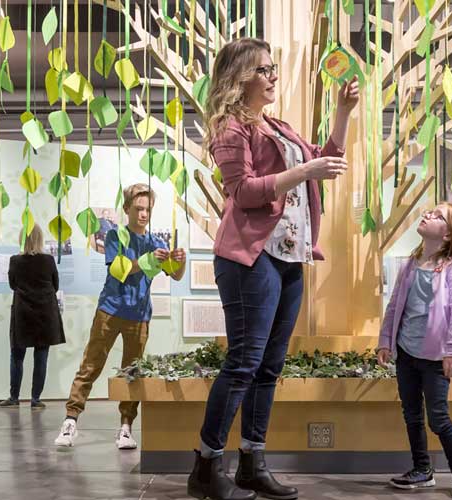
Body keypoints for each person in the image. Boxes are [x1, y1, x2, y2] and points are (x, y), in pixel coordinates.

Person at [188, 38, 359, 500]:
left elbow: (325, 159)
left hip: (288, 258)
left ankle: (251, 462)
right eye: (264, 69)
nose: (273, 75)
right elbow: (242, 192)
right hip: (250, 257)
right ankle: (205, 466)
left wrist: (342, 113)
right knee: (243, 363)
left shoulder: (277, 126)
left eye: (274, 68)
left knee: (268, 366)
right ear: (240, 76)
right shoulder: (230, 127)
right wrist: (305, 173)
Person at [54, 184, 187, 448]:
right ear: (127, 209)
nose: (143, 214)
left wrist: (180, 260)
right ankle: (70, 421)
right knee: (91, 365)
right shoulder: (115, 237)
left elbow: (176, 274)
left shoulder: (156, 242)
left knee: (132, 372)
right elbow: (119, 270)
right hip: (110, 310)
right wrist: (148, 261)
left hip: (139, 315)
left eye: (147, 209)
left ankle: (126, 427)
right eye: (138, 209)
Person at [376, 203, 452, 499]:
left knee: (437, 418)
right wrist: (385, 340)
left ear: (448, 235)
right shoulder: (410, 265)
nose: (428, 215)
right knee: (411, 414)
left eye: (438, 216)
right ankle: (421, 470)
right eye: (429, 212)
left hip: (436, 357)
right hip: (406, 354)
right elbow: (394, 305)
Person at [0, 224, 65, 410]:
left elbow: (12, 284)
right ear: (40, 239)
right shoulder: (49, 260)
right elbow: (55, 285)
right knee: (41, 357)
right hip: (45, 313)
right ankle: (35, 399)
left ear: (22, 239)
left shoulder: (15, 261)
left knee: (17, 356)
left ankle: (14, 397)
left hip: (23, 313)